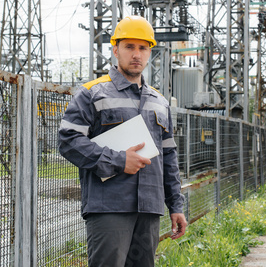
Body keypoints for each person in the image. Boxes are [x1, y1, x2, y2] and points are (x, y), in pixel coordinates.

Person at [58, 15, 187, 267]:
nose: (136, 54)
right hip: (109, 207)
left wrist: (176, 205)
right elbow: (68, 140)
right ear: (115, 49)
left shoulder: (159, 102)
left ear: (150, 52)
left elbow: (169, 158)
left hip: (149, 208)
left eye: (143, 48)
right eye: (129, 46)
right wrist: (118, 160)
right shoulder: (92, 93)